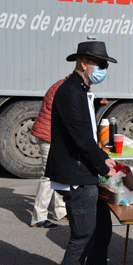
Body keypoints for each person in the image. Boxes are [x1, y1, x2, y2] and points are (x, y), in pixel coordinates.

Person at [45, 41, 118, 265]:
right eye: (101, 64)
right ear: (84, 63)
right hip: (78, 176)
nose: (104, 69)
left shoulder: (81, 89)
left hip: (86, 173)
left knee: (102, 229)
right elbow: (83, 139)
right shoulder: (70, 91)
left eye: (106, 65)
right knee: (82, 237)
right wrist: (104, 166)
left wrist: (104, 157)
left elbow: (88, 135)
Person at [30, 78, 68, 229]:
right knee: (48, 176)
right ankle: (38, 218)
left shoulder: (63, 85)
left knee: (59, 174)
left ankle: (59, 212)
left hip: (53, 136)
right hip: (49, 137)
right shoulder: (66, 88)